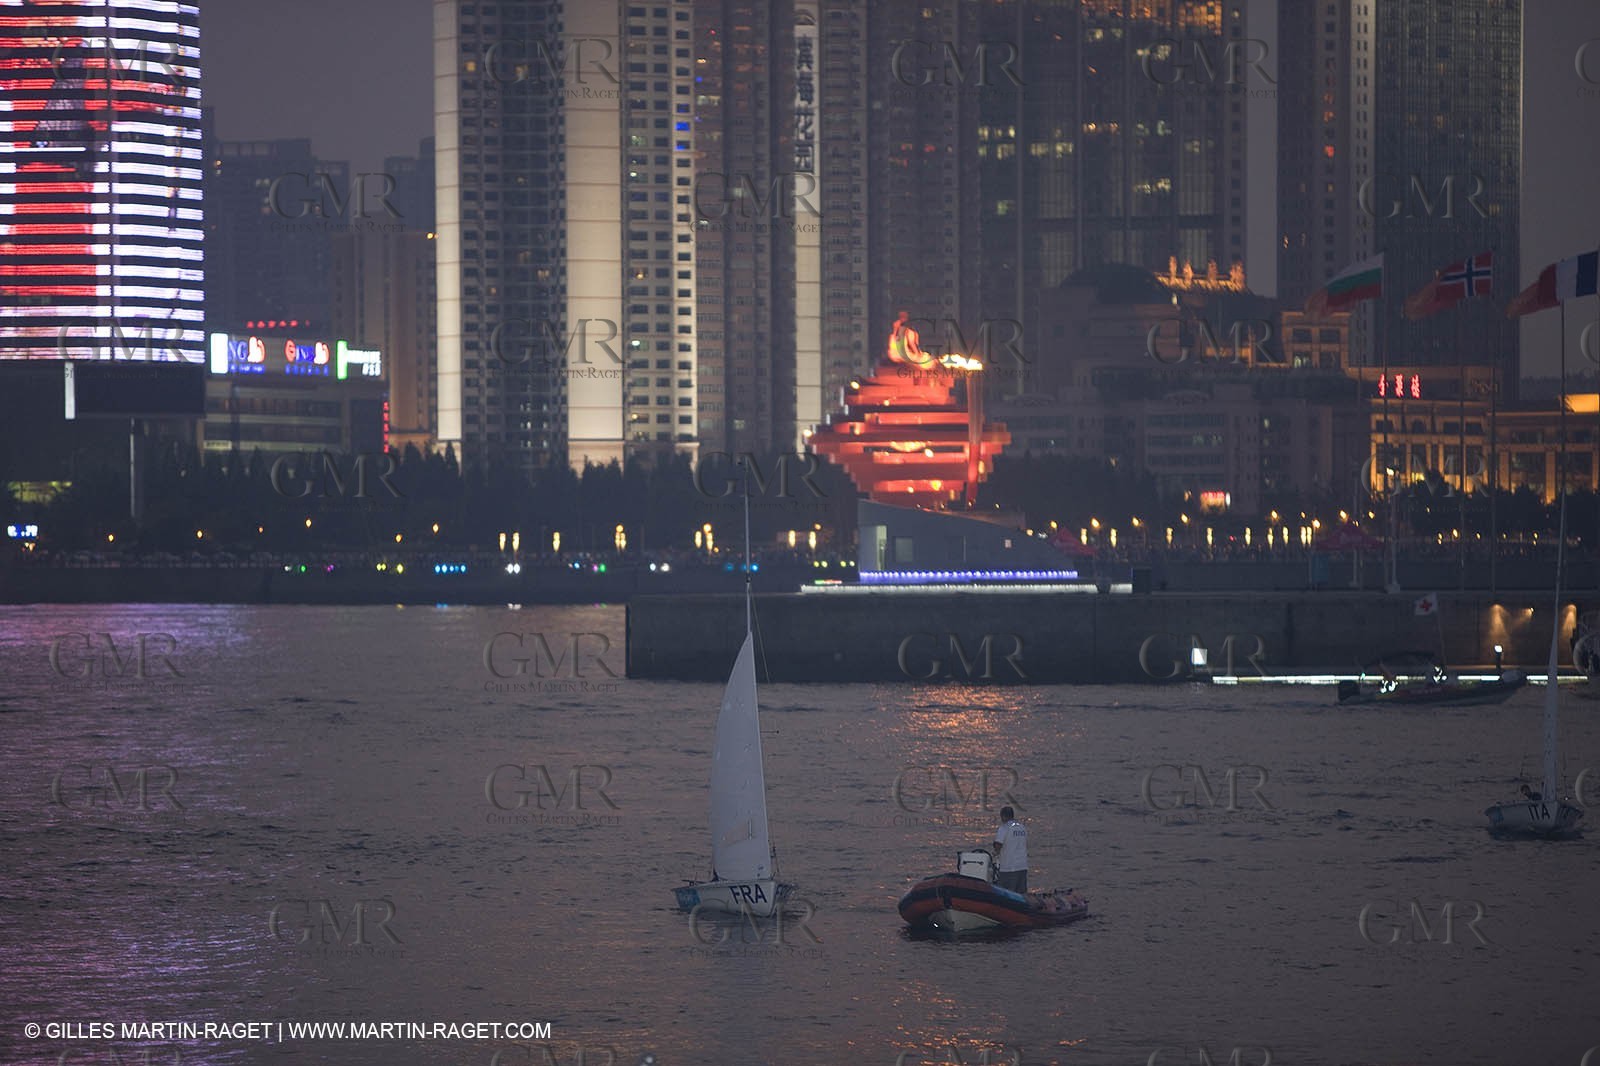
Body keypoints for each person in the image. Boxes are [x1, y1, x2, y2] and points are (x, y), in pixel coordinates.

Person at [992, 806, 1028, 894]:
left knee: (1005, 894)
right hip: (1023, 866)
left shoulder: (1004, 828)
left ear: (1003, 816)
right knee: (1021, 895)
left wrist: (995, 852)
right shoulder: (1022, 827)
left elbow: (998, 845)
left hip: (1009, 868)